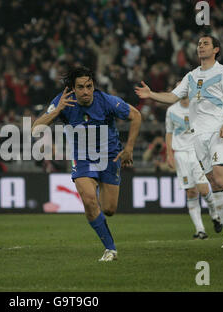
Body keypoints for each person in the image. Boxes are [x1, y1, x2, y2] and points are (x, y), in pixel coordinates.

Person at [135, 35, 223, 248]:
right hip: (197, 137)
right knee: (213, 183)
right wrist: (151, 95)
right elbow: (172, 97)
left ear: (216, 50)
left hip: (217, 133)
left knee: (221, 180)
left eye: (206, 44)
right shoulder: (191, 76)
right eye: (199, 44)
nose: (200, 46)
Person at [32, 66, 141, 261]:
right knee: (90, 201)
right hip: (82, 158)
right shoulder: (63, 100)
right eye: (80, 87)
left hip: (110, 156)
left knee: (109, 209)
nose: (85, 92)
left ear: (94, 86)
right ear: (73, 88)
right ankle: (110, 249)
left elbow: (136, 116)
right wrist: (57, 111)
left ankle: (98, 186)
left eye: (89, 86)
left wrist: (129, 148)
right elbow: (35, 128)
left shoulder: (106, 101)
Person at [165, 96, 223, 239]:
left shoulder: (198, 106)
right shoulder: (171, 110)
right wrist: (169, 154)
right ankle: (200, 230)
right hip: (180, 154)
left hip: (197, 151)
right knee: (191, 192)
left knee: (203, 189)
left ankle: (215, 215)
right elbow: (169, 133)